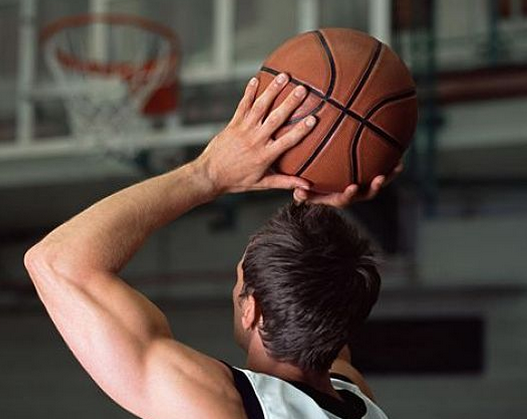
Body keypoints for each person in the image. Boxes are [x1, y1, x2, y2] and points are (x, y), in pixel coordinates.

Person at [24, 72, 402, 419]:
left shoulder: (222, 405)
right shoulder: (359, 403)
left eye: (238, 282)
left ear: (252, 309)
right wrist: (325, 196)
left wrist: (208, 173)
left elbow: (55, 261)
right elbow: (324, 301)